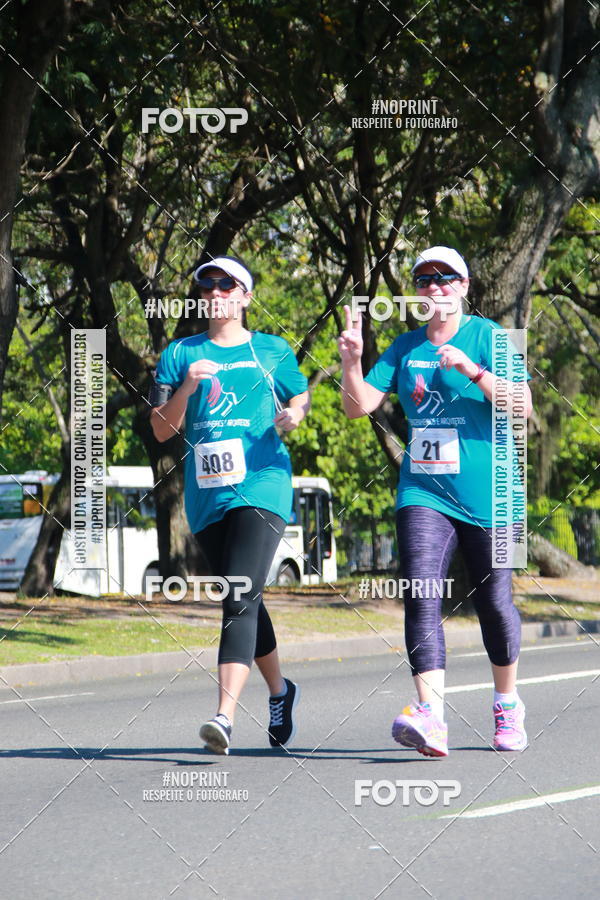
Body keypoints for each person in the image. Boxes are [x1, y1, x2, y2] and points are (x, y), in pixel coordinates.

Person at [338, 246, 532, 756]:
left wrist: (474, 370)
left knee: (494, 603)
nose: (435, 286)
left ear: (464, 286)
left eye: (446, 278)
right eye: (424, 279)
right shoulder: (404, 347)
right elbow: (358, 408)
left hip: (496, 494)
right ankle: (431, 715)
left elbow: (524, 405)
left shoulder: (492, 337)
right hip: (423, 490)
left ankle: (507, 705)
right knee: (422, 591)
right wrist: (351, 362)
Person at [150, 256, 309, 755]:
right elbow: (160, 429)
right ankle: (281, 692)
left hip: (263, 483)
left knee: (237, 595)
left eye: (227, 284)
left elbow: (300, 398)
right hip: (207, 497)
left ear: (245, 297)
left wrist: (292, 416)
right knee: (246, 596)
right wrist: (187, 389)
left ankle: (224, 717)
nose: (216, 291)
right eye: (207, 285)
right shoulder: (180, 354)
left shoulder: (272, 350)